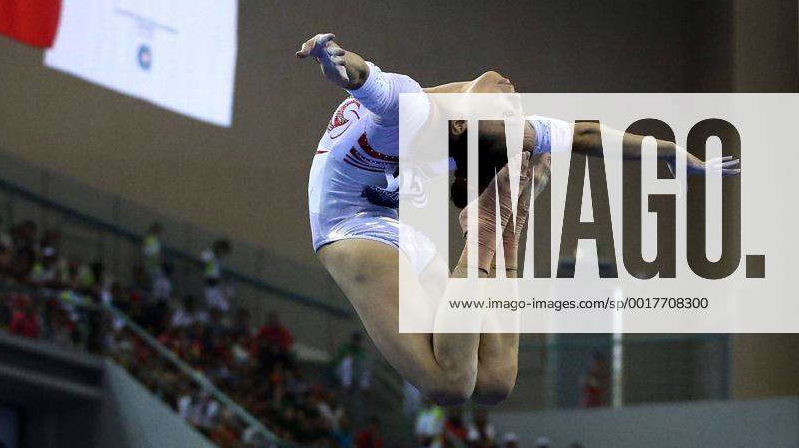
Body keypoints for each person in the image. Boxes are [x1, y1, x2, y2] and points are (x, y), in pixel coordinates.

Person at [298, 32, 739, 407]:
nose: (515, 107)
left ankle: (495, 220)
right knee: (451, 384)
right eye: (510, 114)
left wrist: (672, 154)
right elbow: (357, 75)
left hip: (381, 225)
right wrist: (332, 57)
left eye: (510, 116)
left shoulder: (444, 117)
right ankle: (501, 217)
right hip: (352, 231)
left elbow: (588, 135)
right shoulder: (411, 105)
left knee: (494, 381)